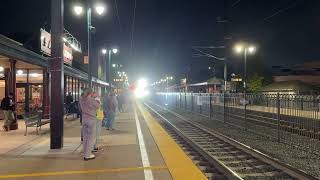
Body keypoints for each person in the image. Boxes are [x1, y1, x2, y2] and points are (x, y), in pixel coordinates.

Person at [79, 89, 99, 161]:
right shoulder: (91, 100)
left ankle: (85, 153)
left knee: (85, 138)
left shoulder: (81, 99)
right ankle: (88, 155)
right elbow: (97, 106)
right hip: (91, 120)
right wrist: (96, 98)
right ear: (90, 93)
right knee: (91, 138)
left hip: (84, 120)